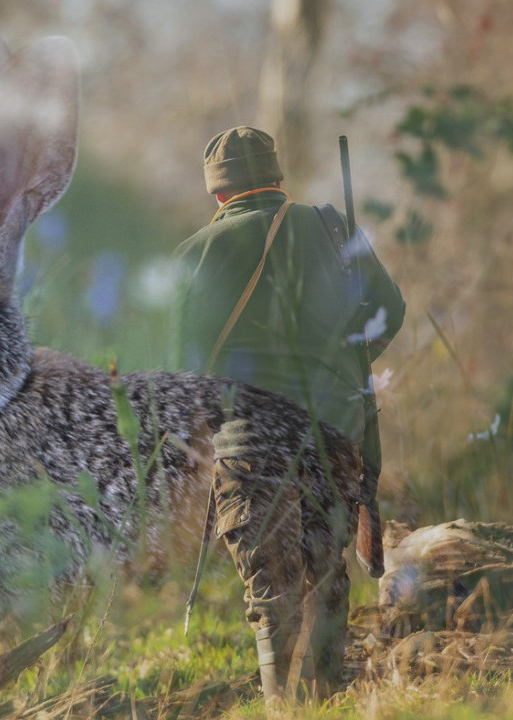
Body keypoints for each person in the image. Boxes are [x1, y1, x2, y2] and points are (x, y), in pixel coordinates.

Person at [176, 126, 405, 702]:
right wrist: (346, 363)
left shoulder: (191, 256)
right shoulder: (332, 227)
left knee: (271, 595)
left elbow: (171, 368)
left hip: (247, 443)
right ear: (277, 179)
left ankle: (287, 709)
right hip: (333, 436)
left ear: (219, 196)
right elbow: (390, 311)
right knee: (325, 581)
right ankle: (326, 702)